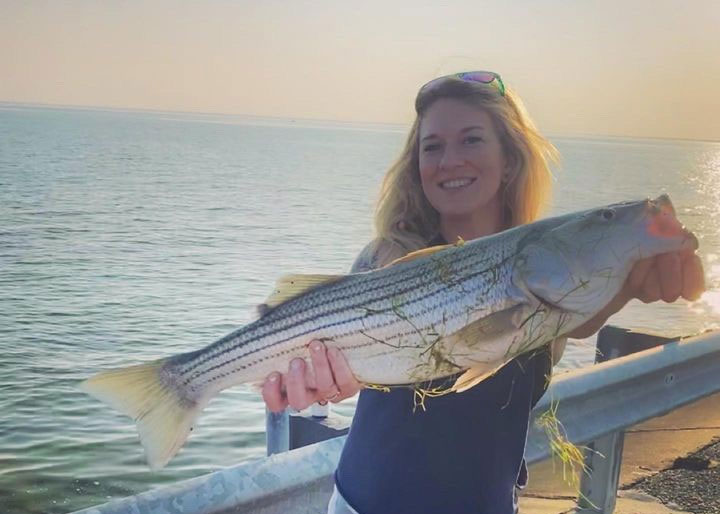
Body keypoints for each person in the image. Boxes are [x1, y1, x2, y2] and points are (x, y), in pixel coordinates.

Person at [261, 71, 706, 514]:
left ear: (510, 158)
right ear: (417, 165)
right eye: (432, 147)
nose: (449, 160)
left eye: (471, 140)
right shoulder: (388, 257)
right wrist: (316, 382)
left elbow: (574, 319)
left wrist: (634, 277)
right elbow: (335, 364)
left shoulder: (548, 279)